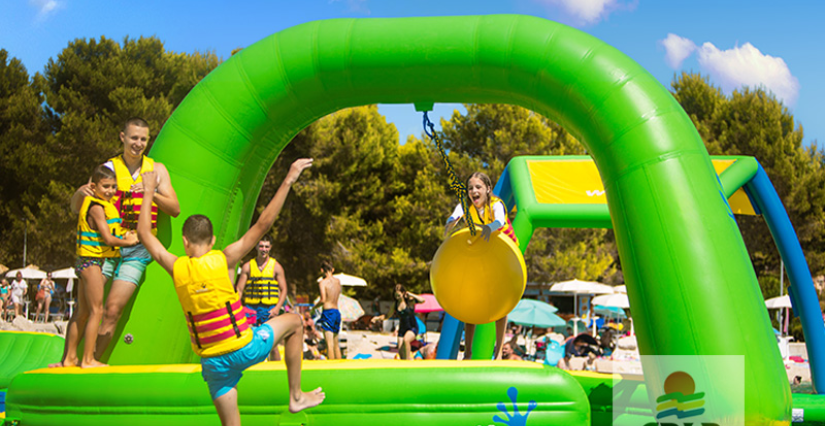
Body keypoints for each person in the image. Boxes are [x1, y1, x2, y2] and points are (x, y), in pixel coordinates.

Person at [137, 159, 323, 425]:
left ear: (185, 241)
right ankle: (296, 396)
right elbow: (263, 225)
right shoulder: (225, 259)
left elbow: (145, 234)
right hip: (245, 348)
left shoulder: (176, 267)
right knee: (294, 323)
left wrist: (147, 192)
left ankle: (294, 397)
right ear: (212, 241)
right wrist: (289, 179)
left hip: (214, 365)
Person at [70, 117, 180, 360]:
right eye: (133, 138)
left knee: (112, 311)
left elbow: (174, 208)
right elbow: (78, 206)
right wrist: (78, 194)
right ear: (123, 137)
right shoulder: (107, 169)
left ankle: (94, 360)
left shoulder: (156, 170)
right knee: (85, 309)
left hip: (139, 249)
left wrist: (151, 193)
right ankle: (71, 359)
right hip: (106, 246)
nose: (138, 144)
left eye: (143, 139)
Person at [59, 164, 138, 368]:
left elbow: (112, 232)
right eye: (105, 187)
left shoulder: (98, 205)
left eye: (113, 187)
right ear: (93, 187)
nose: (110, 191)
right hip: (91, 262)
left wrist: (124, 234)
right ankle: (87, 359)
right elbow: (108, 239)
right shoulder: (96, 207)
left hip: (86, 262)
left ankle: (69, 358)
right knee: (97, 311)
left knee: (83, 312)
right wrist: (129, 242)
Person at [444, 172, 518, 360]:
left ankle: (499, 352)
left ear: (488, 189)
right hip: (485, 254)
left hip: (504, 253)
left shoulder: (496, 204)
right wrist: (451, 222)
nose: (473, 191)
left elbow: (499, 221)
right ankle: (468, 353)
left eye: (478, 187)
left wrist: (489, 227)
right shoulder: (467, 205)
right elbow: (456, 213)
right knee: (471, 302)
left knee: (501, 306)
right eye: (470, 188)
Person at [236, 235, 287, 361]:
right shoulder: (248, 267)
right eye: (261, 246)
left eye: (266, 246)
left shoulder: (276, 267)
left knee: (272, 345)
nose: (264, 249)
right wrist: (237, 309)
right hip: (250, 309)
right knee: (248, 341)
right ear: (256, 247)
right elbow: (239, 290)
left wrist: (277, 308)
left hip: (269, 309)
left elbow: (284, 289)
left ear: (270, 248)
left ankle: (276, 370)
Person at [371, 284, 425, 360]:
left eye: (399, 295)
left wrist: (410, 294)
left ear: (403, 293)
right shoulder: (395, 304)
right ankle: (405, 362)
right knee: (401, 351)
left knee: (406, 340)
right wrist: (377, 318)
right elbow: (387, 316)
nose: (397, 297)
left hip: (412, 328)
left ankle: (408, 362)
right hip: (402, 329)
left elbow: (422, 300)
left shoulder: (409, 302)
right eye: (395, 295)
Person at [314, 260, 342, 360]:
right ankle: (339, 369)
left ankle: (331, 371)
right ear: (333, 269)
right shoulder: (338, 282)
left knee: (329, 345)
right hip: (336, 312)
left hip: (328, 312)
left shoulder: (322, 282)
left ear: (322, 270)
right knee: (336, 344)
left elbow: (323, 299)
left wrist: (314, 308)